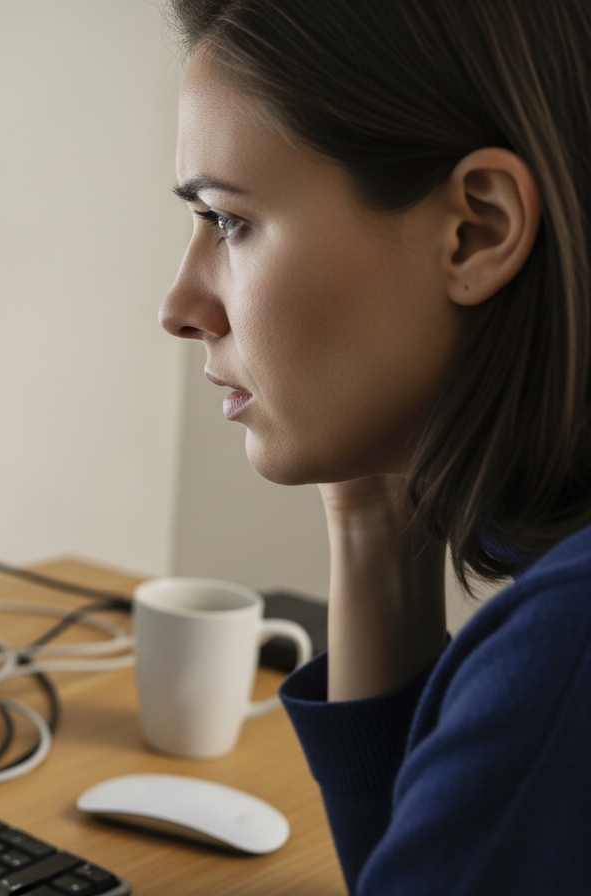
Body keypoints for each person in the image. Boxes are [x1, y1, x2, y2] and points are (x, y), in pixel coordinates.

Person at [159, 1, 591, 893]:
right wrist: (369, 513)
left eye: (229, 222)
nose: (181, 306)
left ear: (478, 229)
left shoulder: (564, 660)